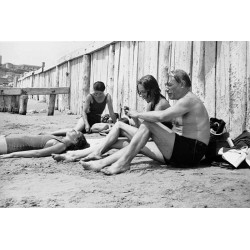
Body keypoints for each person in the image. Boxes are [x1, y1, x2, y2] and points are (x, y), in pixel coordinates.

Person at [77, 69, 210, 175]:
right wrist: (136, 117)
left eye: (170, 85)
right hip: (180, 152)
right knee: (135, 145)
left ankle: (123, 163)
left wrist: (137, 114)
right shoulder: (180, 101)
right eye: (166, 85)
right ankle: (101, 162)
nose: (167, 89)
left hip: (191, 152)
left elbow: (161, 116)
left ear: (182, 84)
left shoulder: (189, 99)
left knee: (147, 123)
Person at [52, 74, 172, 162]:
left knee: (118, 127)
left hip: (159, 146)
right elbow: (143, 129)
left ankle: (84, 154)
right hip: (150, 140)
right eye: (140, 93)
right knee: (112, 142)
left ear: (152, 90)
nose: (142, 96)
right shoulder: (151, 103)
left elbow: (150, 132)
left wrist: (134, 118)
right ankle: (75, 155)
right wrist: (133, 117)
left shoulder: (161, 105)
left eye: (144, 92)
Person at [51, 81, 117, 135]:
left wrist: (116, 124)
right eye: (96, 93)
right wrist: (86, 124)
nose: (98, 95)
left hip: (96, 120)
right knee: (76, 131)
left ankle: (89, 129)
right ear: (93, 90)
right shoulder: (90, 96)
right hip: (86, 118)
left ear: (103, 91)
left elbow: (111, 112)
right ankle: (52, 133)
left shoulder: (107, 97)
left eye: (100, 93)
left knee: (105, 128)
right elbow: (84, 112)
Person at [0, 130, 89, 158]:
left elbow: (37, 153)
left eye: (77, 132)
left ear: (75, 141)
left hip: (11, 145)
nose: (74, 129)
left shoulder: (61, 145)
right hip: (8, 140)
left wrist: (13, 154)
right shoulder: (60, 139)